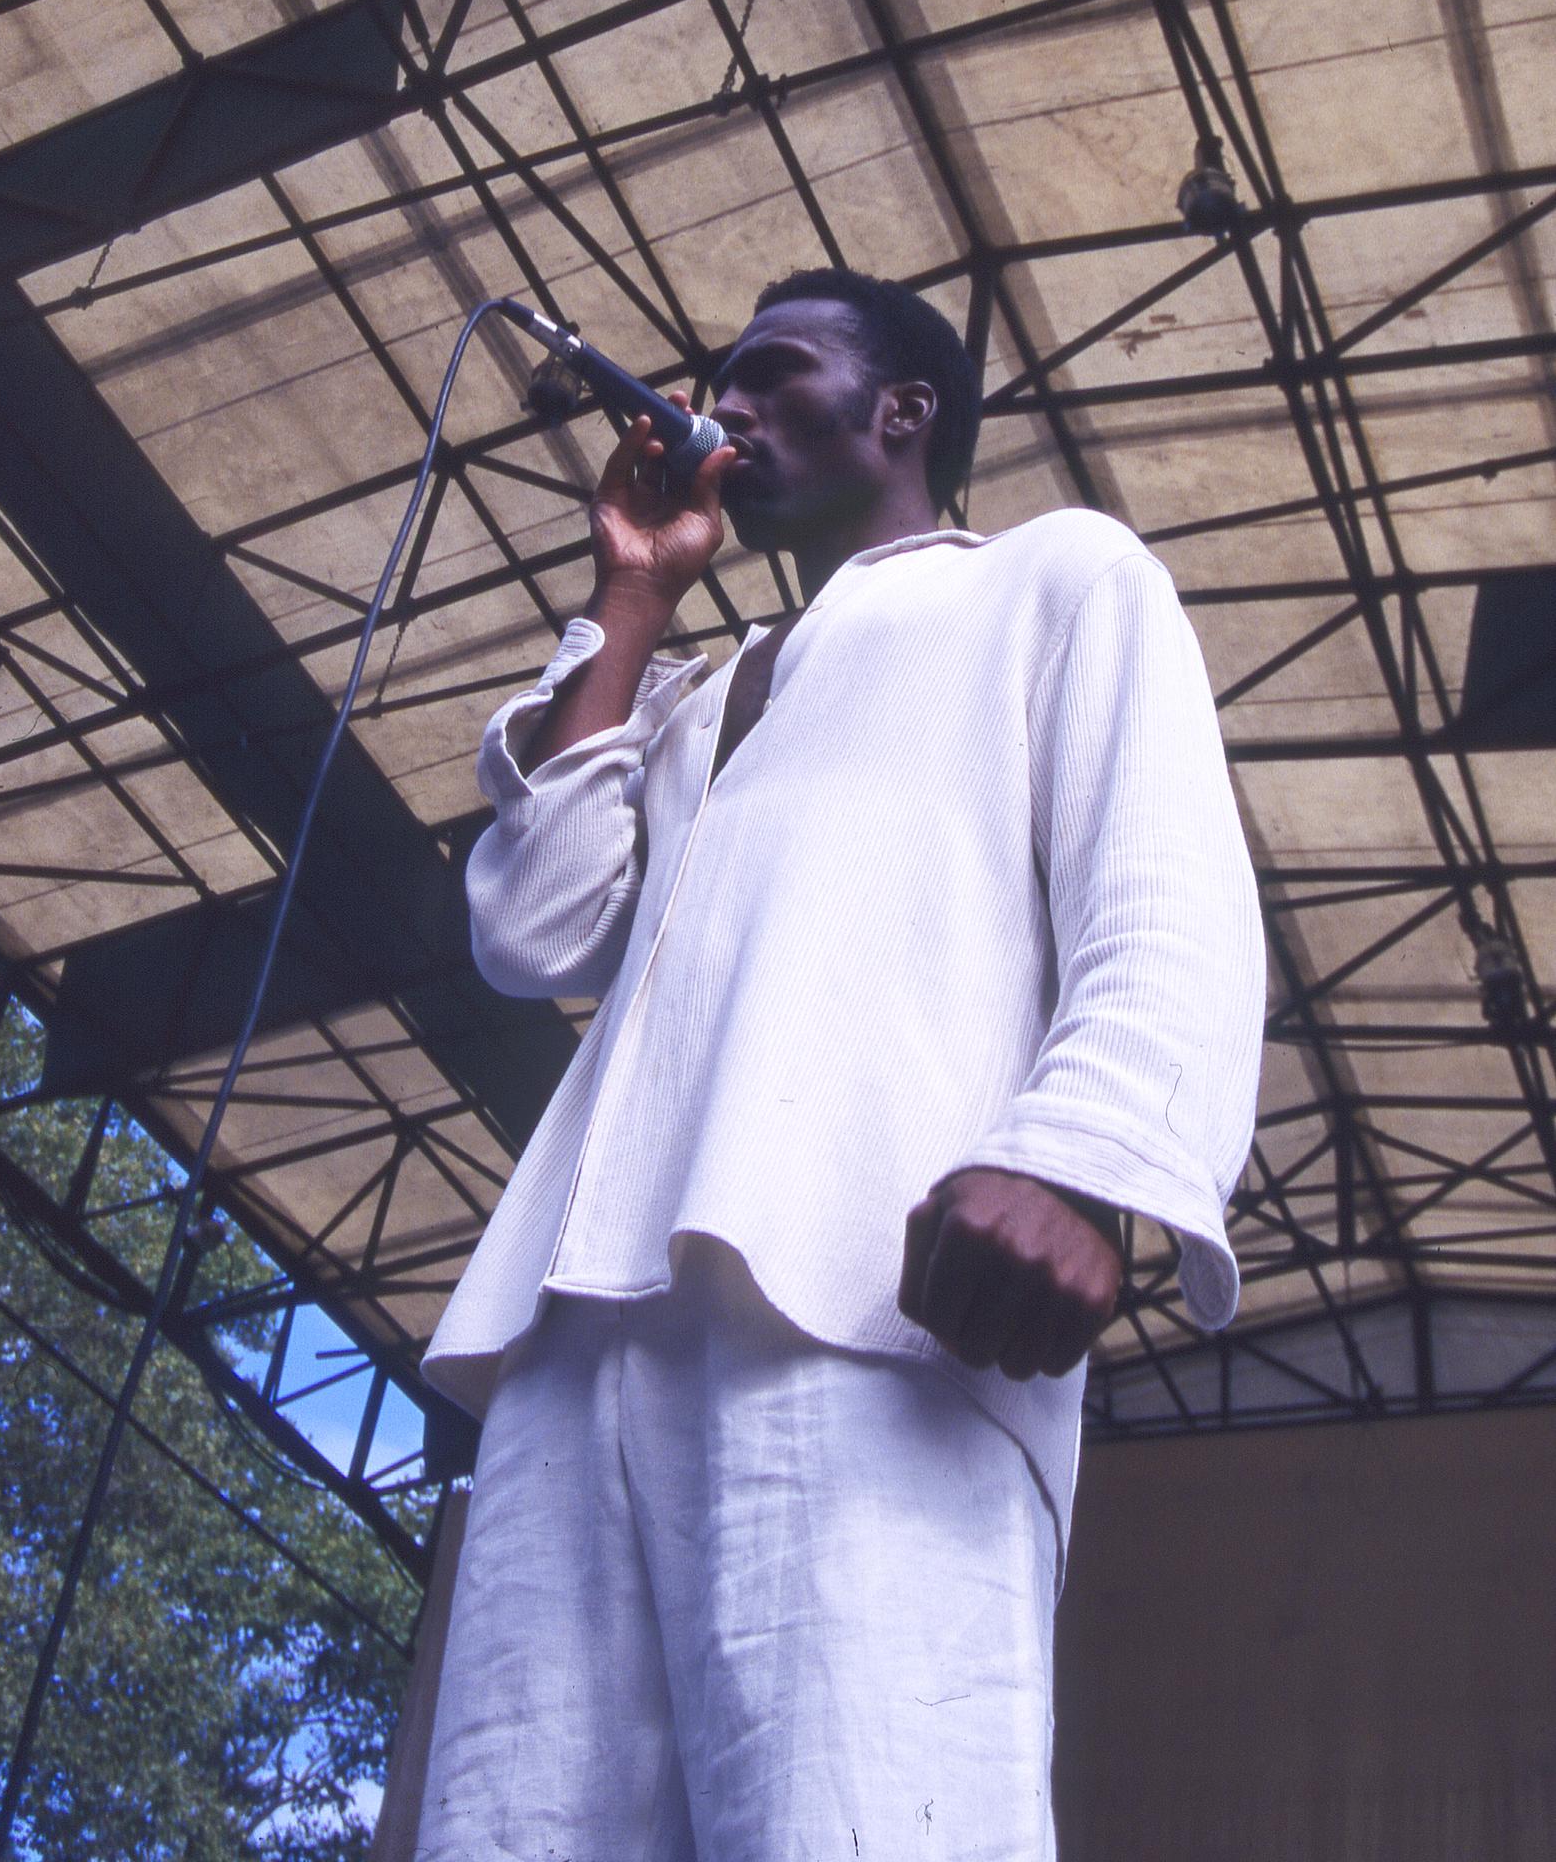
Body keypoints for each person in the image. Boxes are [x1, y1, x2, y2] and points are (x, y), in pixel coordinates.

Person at [416, 271, 1264, 1861]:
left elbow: (1161, 892)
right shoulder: (694, 696)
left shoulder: (1052, 576)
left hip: (866, 1295)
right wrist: (635, 598)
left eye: (771, 372)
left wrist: (1079, 1161)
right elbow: (531, 933)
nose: (720, 407)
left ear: (904, 413)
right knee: (513, 1826)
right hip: (572, 1338)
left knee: (864, 1814)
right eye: (716, 382)